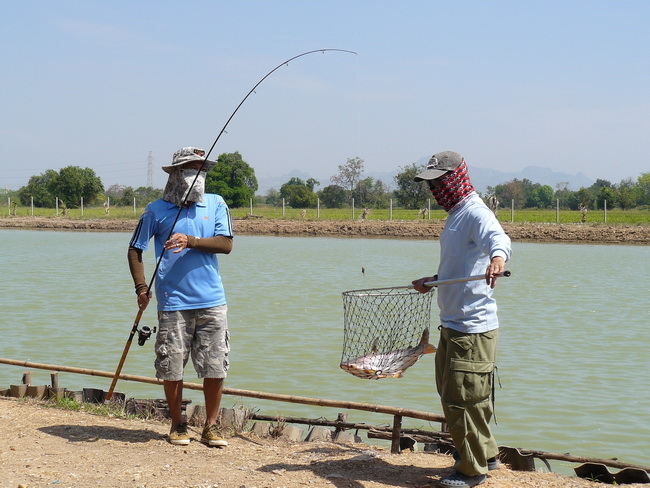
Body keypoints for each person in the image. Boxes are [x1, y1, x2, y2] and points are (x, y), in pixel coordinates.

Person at [411, 151, 512, 488]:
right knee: (465, 394)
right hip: (454, 324)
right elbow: (460, 267)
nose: (435, 189)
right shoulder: (456, 215)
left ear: (455, 178)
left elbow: (498, 239)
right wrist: (434, 280)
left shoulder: (475, 212)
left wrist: (497, 259)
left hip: (472, 327)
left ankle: (471, 471)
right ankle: (488, 454)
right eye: (432, 183)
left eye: (439, 182)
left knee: (459, 399)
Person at [127, 146, 234, 447]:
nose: (195, 174)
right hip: (173, 303)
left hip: (212, 301)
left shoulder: (216, 204)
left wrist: (191, 241)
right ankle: (177, 424)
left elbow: (225, 244)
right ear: (175, 173)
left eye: (200, 168)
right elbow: (136, 249)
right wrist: (141, 288)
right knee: (172, 365)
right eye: (189, 168)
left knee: (215, 366)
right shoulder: (156, 210)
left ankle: (211, 427)